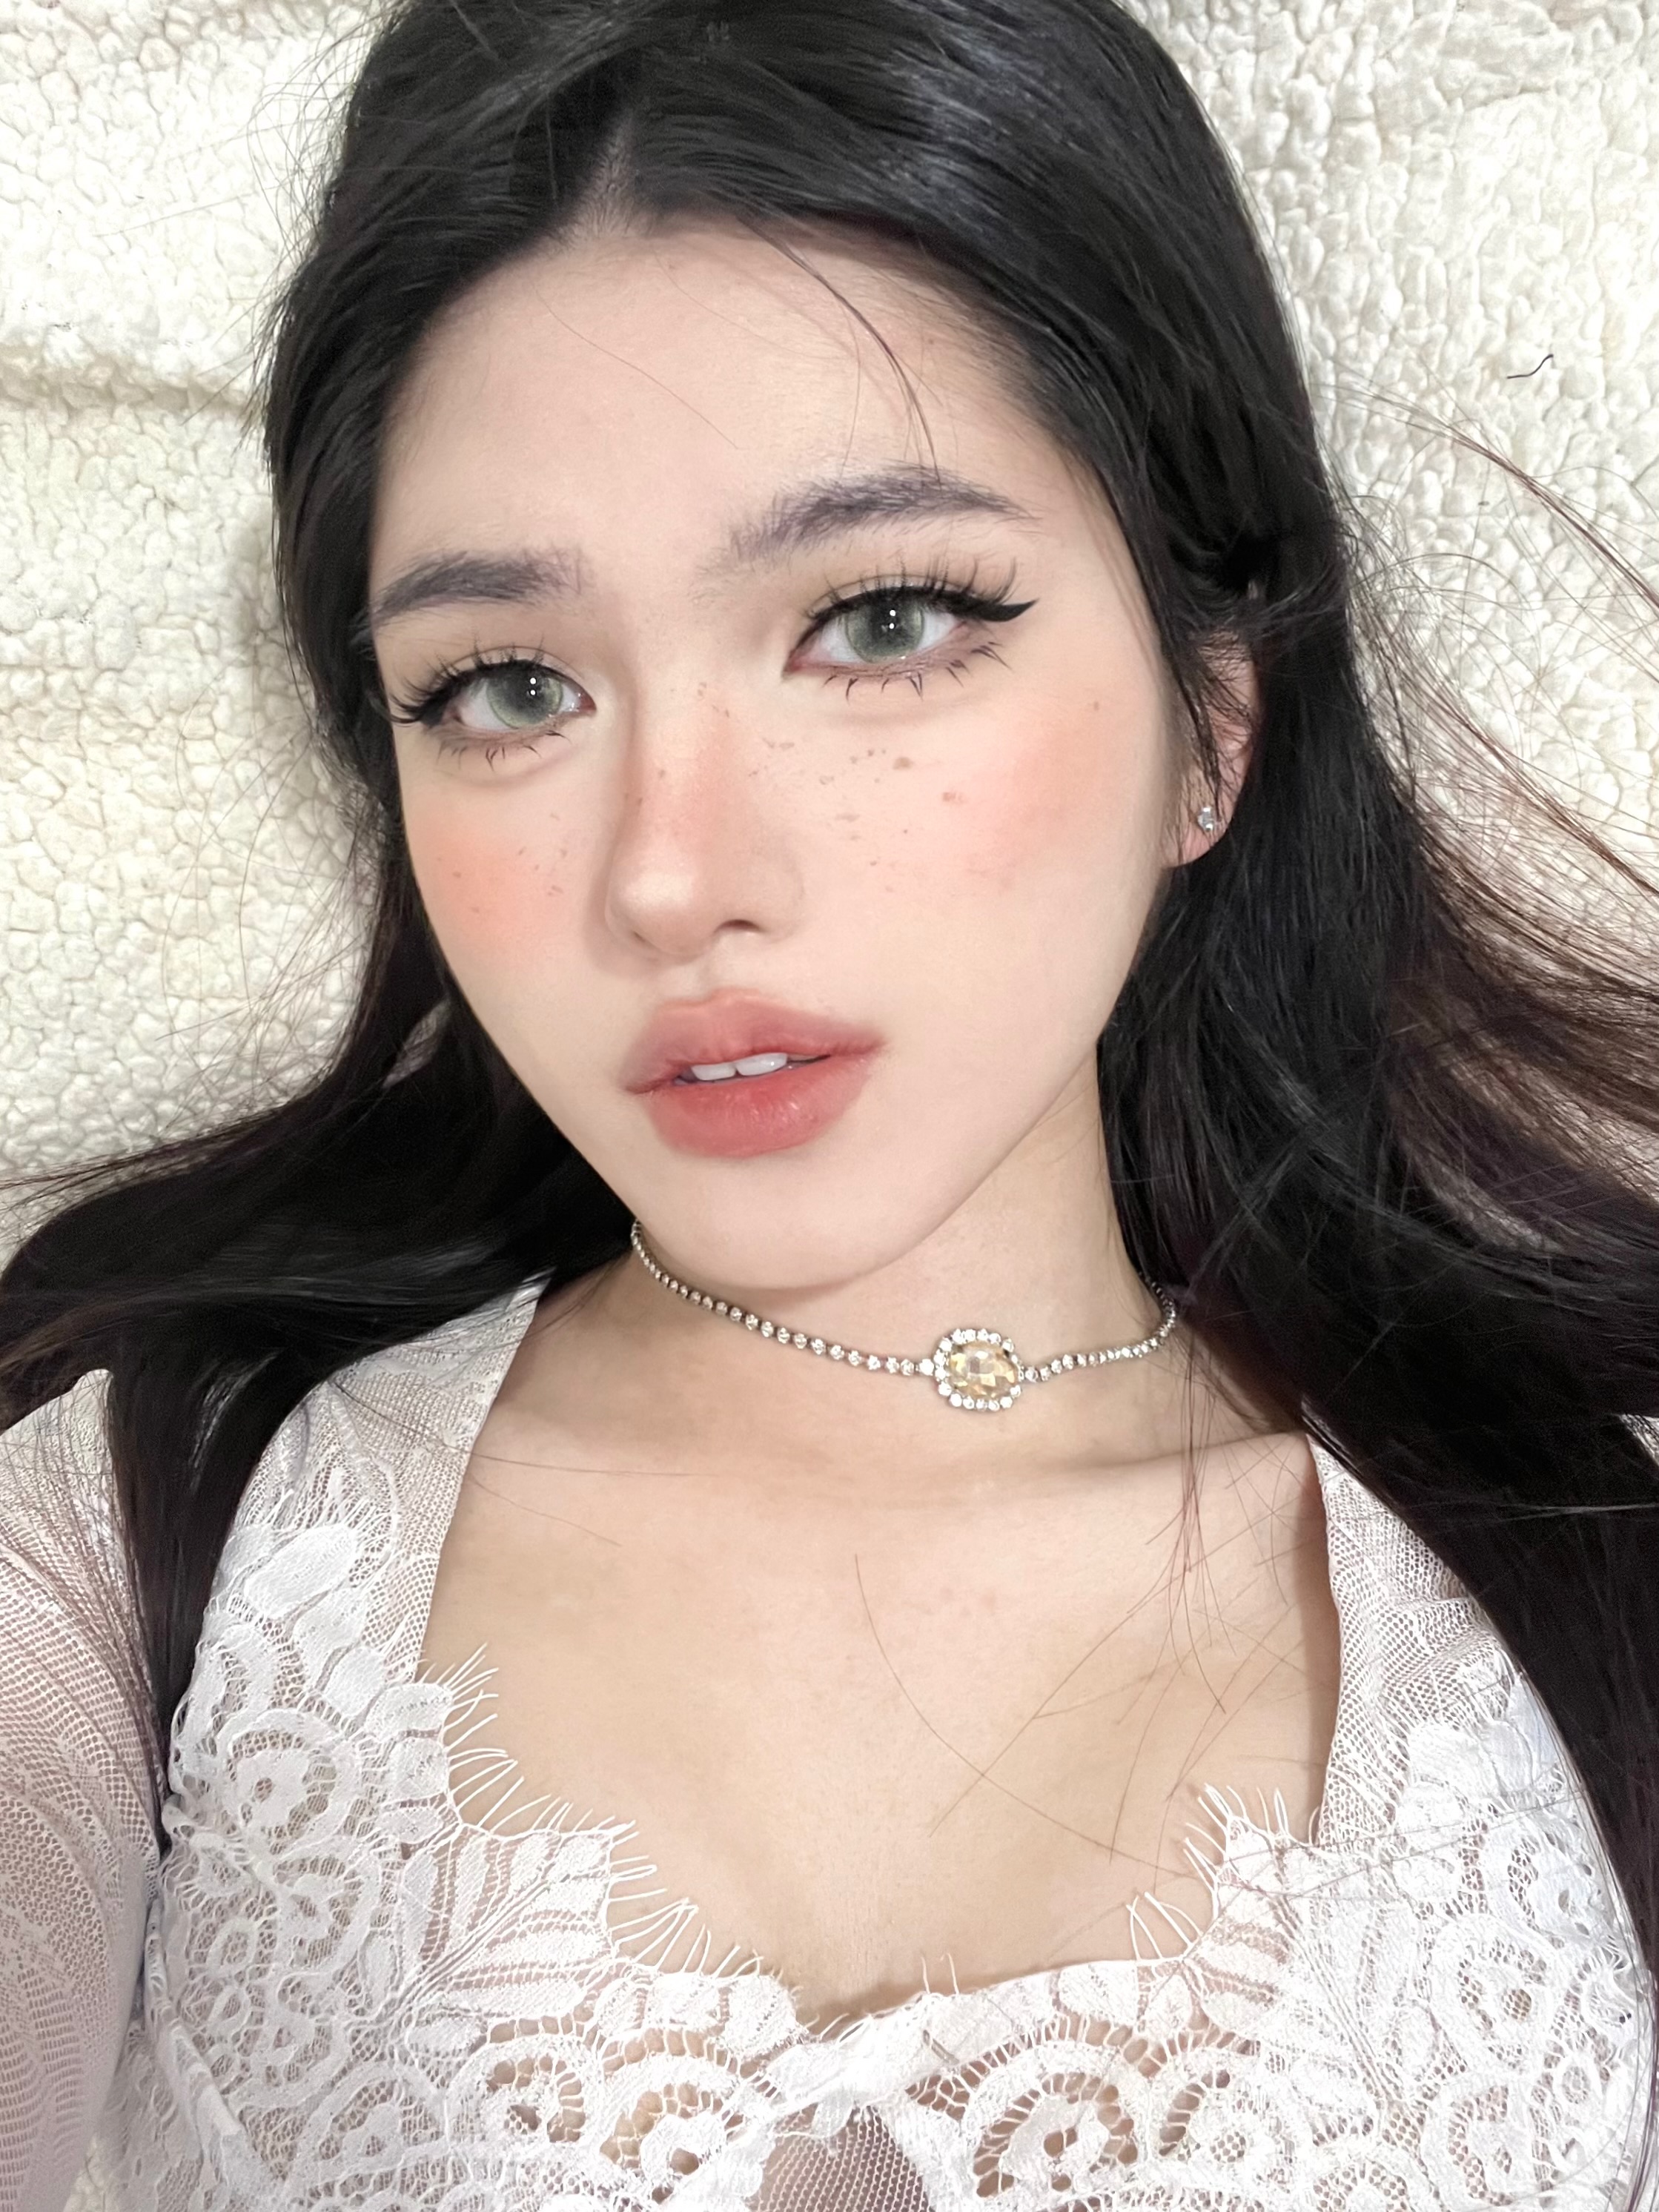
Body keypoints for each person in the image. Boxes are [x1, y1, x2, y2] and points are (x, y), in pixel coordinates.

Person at [2, 0, 1656, 2205]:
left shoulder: (1598, 1577)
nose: (672, 873)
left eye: (882, 622)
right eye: (507, 686)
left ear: (1214, 718)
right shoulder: (141, 1533)